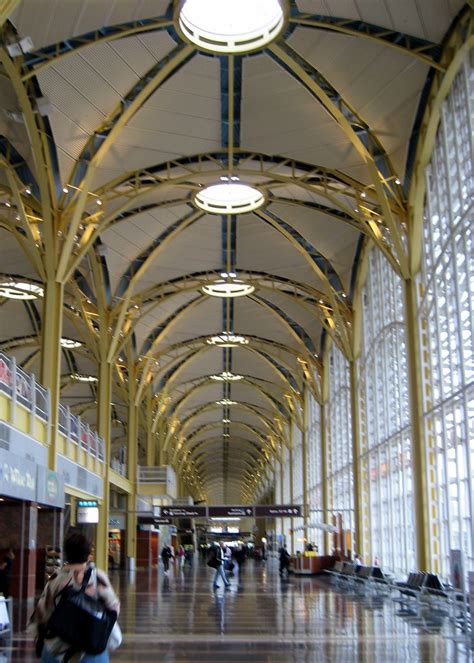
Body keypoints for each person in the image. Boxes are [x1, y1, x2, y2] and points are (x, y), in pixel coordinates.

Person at [32, 532, 119, 662]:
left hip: (57, 649)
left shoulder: (56, 579)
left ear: (67, 553)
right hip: (91, 649)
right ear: (88, 554)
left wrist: (39, 642)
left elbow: (42, 615)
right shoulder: (98, 577)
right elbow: (114, 608)